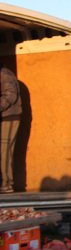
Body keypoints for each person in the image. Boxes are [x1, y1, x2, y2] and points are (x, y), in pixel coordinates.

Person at [1, 63, 22, 193]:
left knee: (5, 150)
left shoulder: (4, 74)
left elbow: (10, 95)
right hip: (4, 115)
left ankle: (7, 183)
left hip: (9, 116)